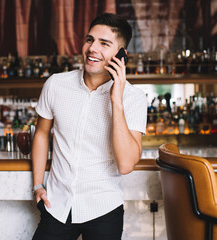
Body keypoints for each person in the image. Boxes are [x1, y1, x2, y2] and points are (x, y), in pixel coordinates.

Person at [31, 13, 147, 240]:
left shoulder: (134, 98)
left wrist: (117, 100)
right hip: (56, 206)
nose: (93, 48)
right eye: (89, 40)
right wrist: (37, 185)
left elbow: (125, 164)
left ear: (121, 55)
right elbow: (42, 134)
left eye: (104, 44)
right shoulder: (56, 84)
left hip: (103, 209)